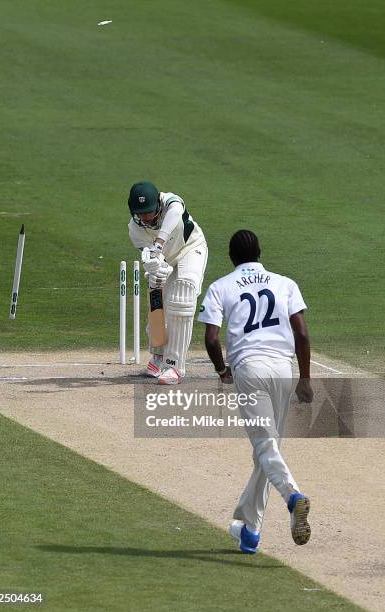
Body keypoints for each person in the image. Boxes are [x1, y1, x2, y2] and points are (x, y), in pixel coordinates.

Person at [198, 229, 313, 553]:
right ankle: (249, 531)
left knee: (265, 447)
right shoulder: (285, 283)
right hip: (282, 369)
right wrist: (305, 379)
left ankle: (293, 496)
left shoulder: (221, 286)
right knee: (266, 450)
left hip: (249, 370)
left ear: (231, 257)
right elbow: (302, 334)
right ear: (260, 252)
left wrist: (223, 371)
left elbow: (210, 338)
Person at [128, 181, 207, 384]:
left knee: (182, 297)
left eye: (149, 211)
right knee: (156, 298)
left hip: (190, 249)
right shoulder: (134, 230)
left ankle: (174, 366)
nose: (145, 217)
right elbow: (154, 261)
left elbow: (175, 213)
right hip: (166, 258)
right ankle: (159, 354)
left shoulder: (171, 202)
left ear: (158, 205)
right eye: (141, 213)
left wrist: (159, 243)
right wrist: (156, 269)